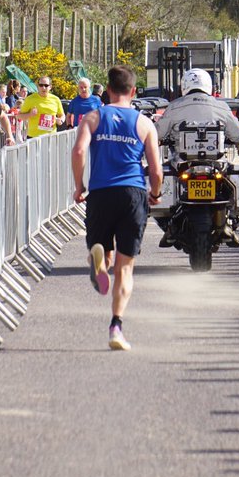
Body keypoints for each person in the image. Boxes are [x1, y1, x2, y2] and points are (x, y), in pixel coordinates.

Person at [70, 65, 163, 351]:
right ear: (133, 91)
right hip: (132, 194)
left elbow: (79, 151)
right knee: (125, 268)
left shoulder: (93, 117)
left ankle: (98, 261)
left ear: (107, 90)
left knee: (103, 254)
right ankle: (116, 327)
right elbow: (156, 170)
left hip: (100, 193)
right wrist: (155, 193)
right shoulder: (144, 123)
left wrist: (79, 186)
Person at [155, 69, 239, 148]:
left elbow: (157, 132)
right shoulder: (222, 107)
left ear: (184, 86)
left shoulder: (174, 106)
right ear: (209, 85)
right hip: (215, 159)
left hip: (182, 160)